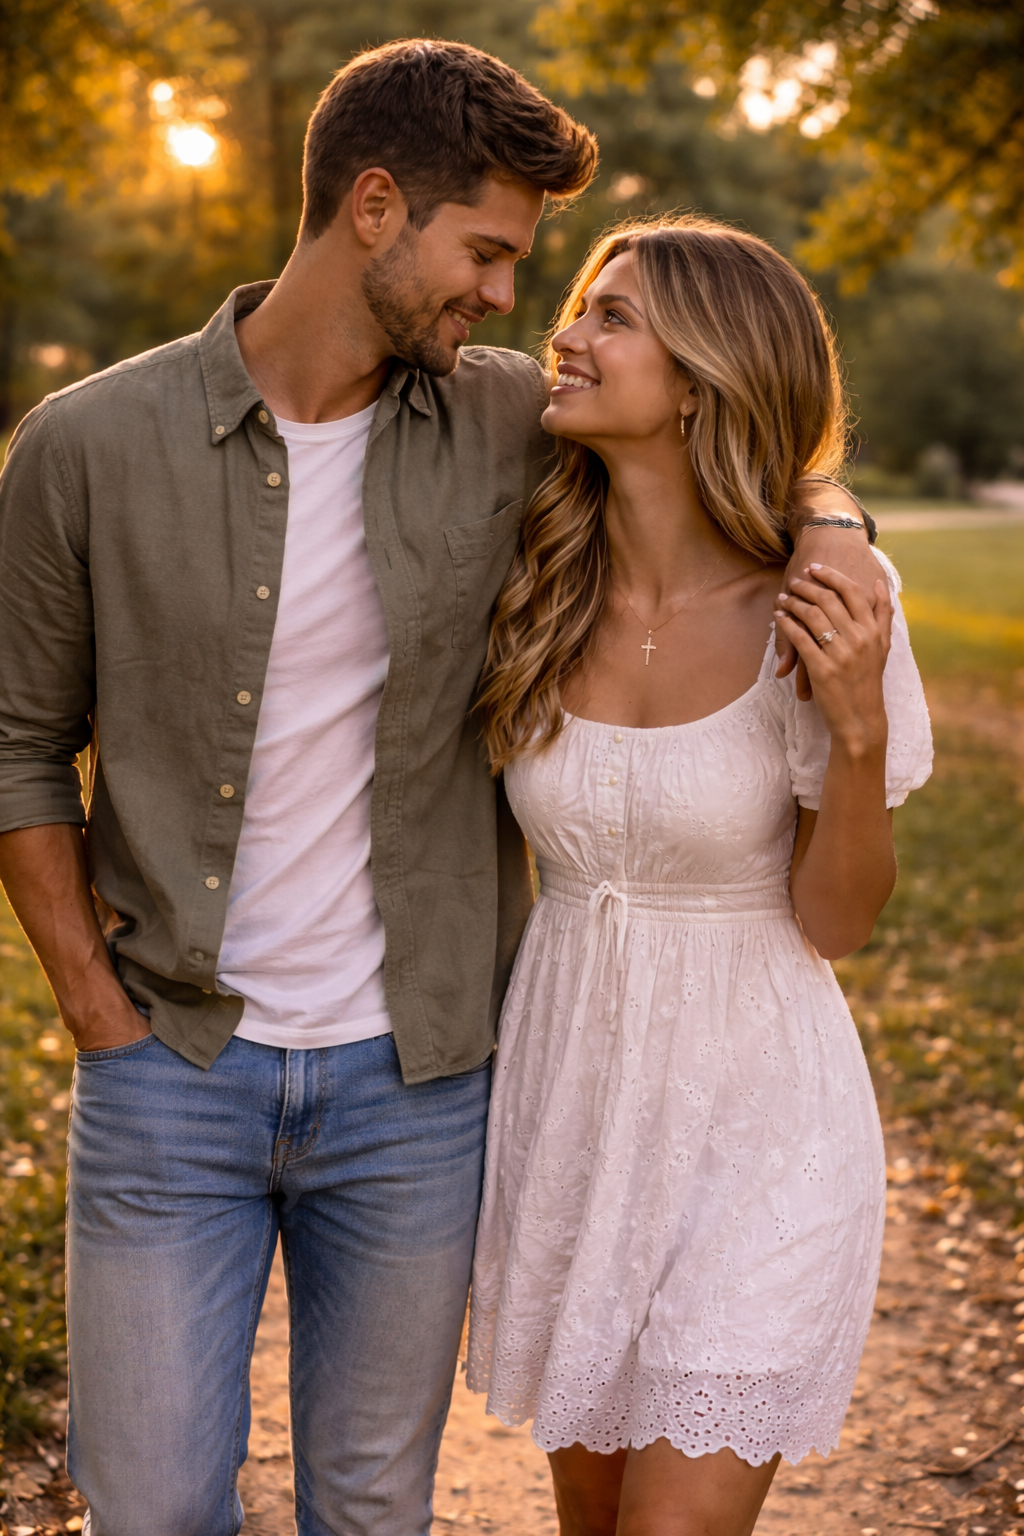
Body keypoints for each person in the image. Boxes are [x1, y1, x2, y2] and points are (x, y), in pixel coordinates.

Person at [0, 37, 881, 1536]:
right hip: (172, 1072)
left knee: (369, 1507)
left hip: (415, 1089)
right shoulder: (87, 445)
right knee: (147, 1508)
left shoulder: (498, 424)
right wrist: (95, 1005)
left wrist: (836, 516)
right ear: (376, 206)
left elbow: (725, 412)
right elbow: (19, 741)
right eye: (486, 252)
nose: (507, 299)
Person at [466, 216, 933, 1536]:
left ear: (706, 373)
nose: (567, 332)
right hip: (573, 1116)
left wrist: (854, 730)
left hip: (762, 1122)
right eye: (579, 306)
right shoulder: (532, 574)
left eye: (613, 316)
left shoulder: (831, 600)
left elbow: (836, 918)